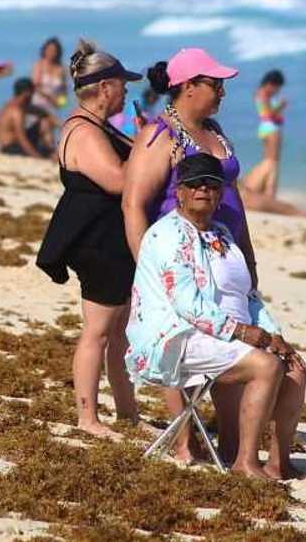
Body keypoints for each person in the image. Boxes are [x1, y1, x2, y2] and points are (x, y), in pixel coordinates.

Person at [126, 153, 306, 479]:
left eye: (211, 184)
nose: (203, 190)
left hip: (225, 335)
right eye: (194, 184)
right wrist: (243, 333)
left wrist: (272, 333)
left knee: (295, 369)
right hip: (177, 337)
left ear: (221, 193)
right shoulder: (167, 235)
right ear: (179, 191)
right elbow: (187, 305)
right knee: (266, 366)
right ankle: (245, 464)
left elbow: (248, 296)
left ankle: (279, 463)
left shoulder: (222, 233)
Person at [123, 47, 253, 463]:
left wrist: (248, 255)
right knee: (181, 338)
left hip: (223, 251)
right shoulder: (159, 134)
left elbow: (234, 197)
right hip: (179, 258)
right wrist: (150, 265)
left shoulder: (216, 132)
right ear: (189, 87)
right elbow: (133, 204)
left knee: (232, 336)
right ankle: (184, 442)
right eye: (215, 85)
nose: (221, 92)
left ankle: (232, 445)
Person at [36, 39, 144, 438]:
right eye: (122, 84)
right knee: (97, 332)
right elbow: (117, 180)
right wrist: (145, 147)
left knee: (119, 334)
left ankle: (128, 413)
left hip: (108, 240)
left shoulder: (96, 127)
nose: (126, 91)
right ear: (104, 88)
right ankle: (88, 418)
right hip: (97, 242)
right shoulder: (83, 132)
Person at [241, 70, 289, 199]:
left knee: (269, 160)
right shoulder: (264, 93)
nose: (277, 90)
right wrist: (281, 106)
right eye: (277, 87)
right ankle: (268, 191)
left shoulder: (260, 93)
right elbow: (269, 113)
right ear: (271, 84)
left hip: (265, 127)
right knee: (272, 162)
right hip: (271, 128)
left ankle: (266, 190)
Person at [0, 78, 53, 157]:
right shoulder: (17, 111)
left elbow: (39, 112)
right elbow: (21, 137)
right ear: (27, 93)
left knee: (44, 121)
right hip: (12, 149)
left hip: (7, 147)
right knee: (44, 124)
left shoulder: (9, 104)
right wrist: (36, 156)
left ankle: (51, 151)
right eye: (32, 92)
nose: (33, 96)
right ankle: (51, 152)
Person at [31, 36, 67, 115]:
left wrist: (61, 103)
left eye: (54, 51)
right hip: (38, 104)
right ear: (44, 50)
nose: (51, 53)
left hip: (54, 106)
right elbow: (35, 87)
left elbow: (64, 91)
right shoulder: (39, 65)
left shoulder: (61, 69)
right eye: (49, 50)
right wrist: (50, 98)